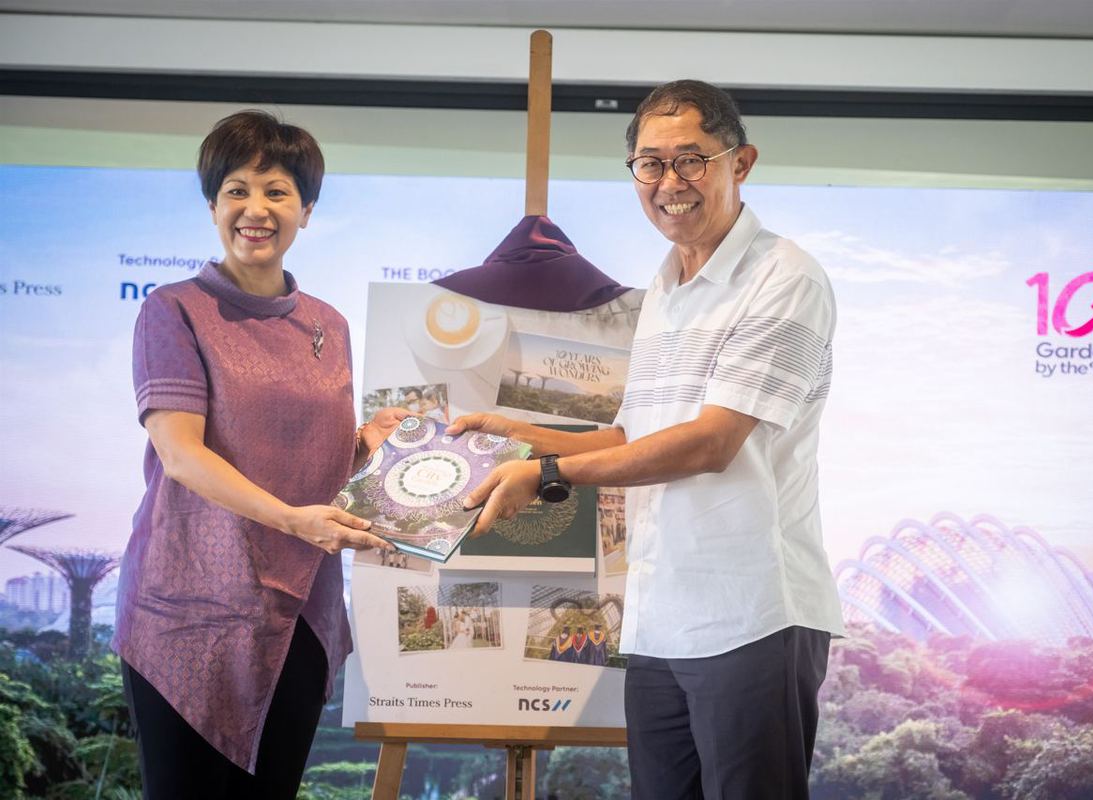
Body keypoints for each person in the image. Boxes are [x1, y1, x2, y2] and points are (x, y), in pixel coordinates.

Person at [449, 80, 844, 799]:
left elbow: (711, 443)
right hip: (661, 617)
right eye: (650, 164)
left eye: (691, 159)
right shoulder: (664, 288)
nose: (670, 183)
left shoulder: (785, 279)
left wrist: (547, 474)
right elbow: (635, 435)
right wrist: (520, 435)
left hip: (751, 613)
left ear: (741, 162)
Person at [113, 110, 407, 800]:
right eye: (237, 189)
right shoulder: (174, 310)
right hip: (188, 609)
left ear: (306, 209)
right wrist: (295, 520)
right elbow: (181, 455)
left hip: (299, 605)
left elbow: (313, 464)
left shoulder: (326, 325)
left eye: (277, 191)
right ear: (213, 205)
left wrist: (369, 444)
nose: (256, 208)